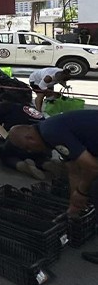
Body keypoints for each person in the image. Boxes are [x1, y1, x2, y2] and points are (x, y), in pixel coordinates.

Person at [8, 111, 98, 265]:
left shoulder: (52, 132)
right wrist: (74, 203)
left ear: (30, 137)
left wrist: (82, 192)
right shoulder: (49, 131)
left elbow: (92, 167)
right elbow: (73, 170)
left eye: (27, 148)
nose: (30, 151)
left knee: (95, 188)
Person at [0, 98, 56, 180]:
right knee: (39, 156)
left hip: (23, 140)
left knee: (6, 154)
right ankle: (46, 163)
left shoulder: (3, 106)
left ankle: (22, 165)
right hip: (43, 144)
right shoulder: (32, 108)